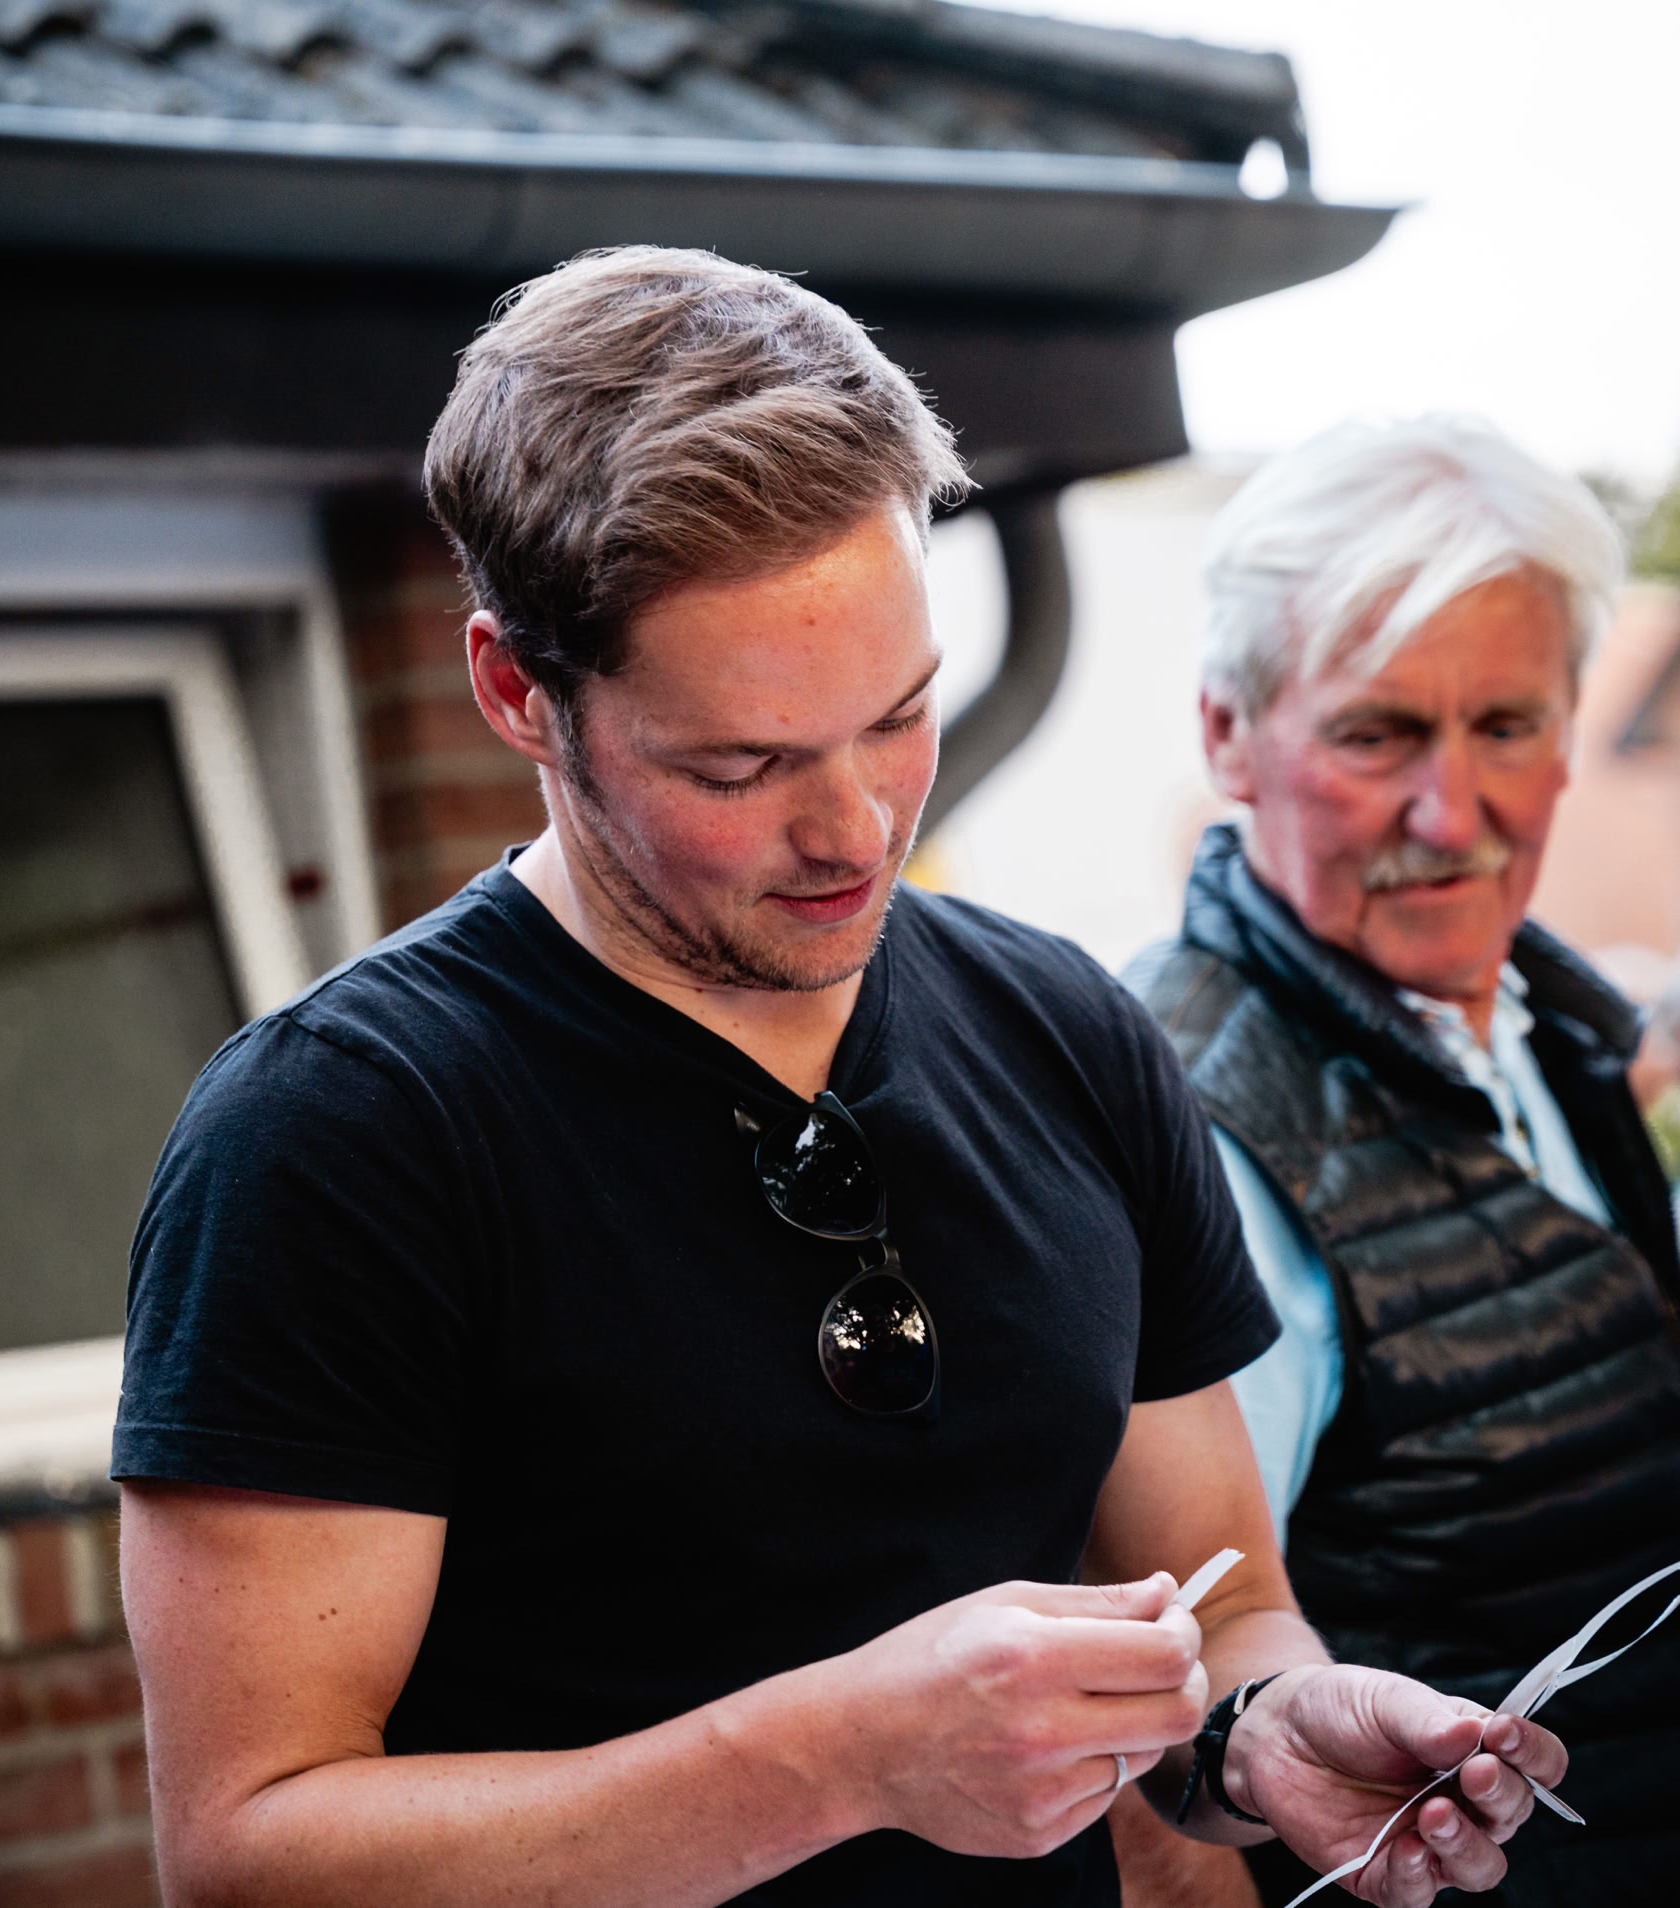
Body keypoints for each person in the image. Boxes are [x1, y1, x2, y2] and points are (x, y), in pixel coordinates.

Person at [115, 254, 1561, 1908]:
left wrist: (1265, 1730)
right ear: (521, 694)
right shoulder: (335, 1137)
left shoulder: (1069, 1031)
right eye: (741, 765)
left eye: (900, 715)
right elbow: (245, 1856)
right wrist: (836, 1759)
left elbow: (1219, 1605)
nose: (860, 829)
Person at [1127, 417, 1680, 1907]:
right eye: (1376, 735)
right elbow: (1155, 1757)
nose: (1452, 814)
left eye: (1506, 727)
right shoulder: (1184, 1123)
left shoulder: (1544, 1022)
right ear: (1228, 736)